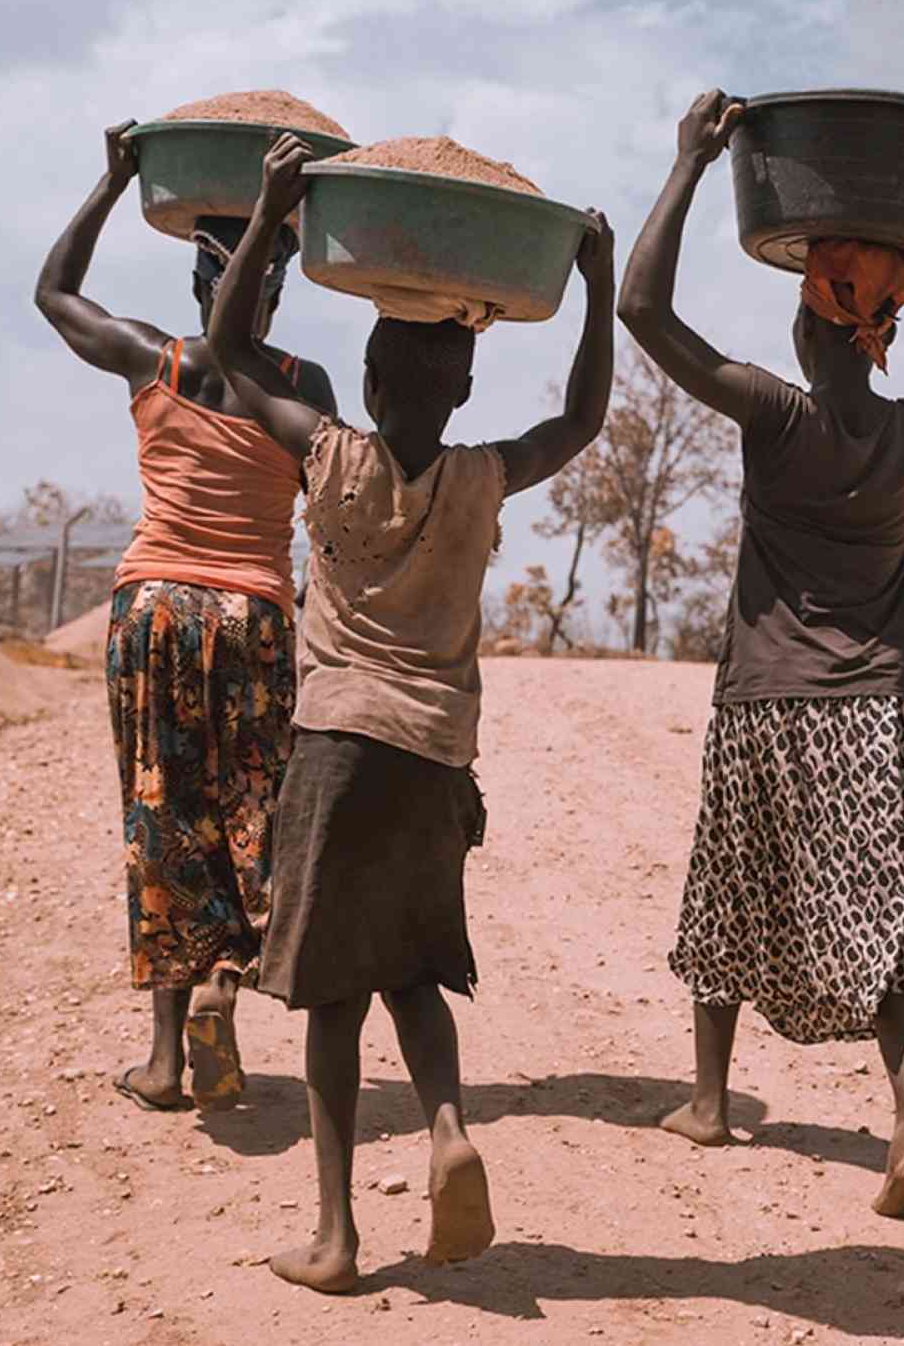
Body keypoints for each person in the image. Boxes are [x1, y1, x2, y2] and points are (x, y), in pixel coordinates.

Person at [210, 133, 615, 1292]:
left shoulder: (325, 453)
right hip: (436, 758)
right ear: (467, 387)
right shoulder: (484, 475)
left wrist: (274, 210)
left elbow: (236, 348)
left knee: (333, 995)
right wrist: (590, 287)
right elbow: (582, 421)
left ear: (373, 381)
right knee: (415, 972)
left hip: (335, 745)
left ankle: (337, 1238)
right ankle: (446, 1128)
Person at [618, 89, 904, 1218]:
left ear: (812, 328)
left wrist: (689, 162)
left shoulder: (775, 413)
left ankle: (707, 1099)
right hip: (876, 713)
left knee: (729, 899)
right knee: (883, 919)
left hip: (766, 705)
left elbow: (644, 312)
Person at [35, 120, 340, 1114]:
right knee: (253, 818)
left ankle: (166, 1061)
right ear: (275, 281)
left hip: (151, 609)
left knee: (160, 819)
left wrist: (112, 175)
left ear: (199, 281)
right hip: (251, 613)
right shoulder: (305, 388)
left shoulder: (152, 361)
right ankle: (224, 983)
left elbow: (53, 293)